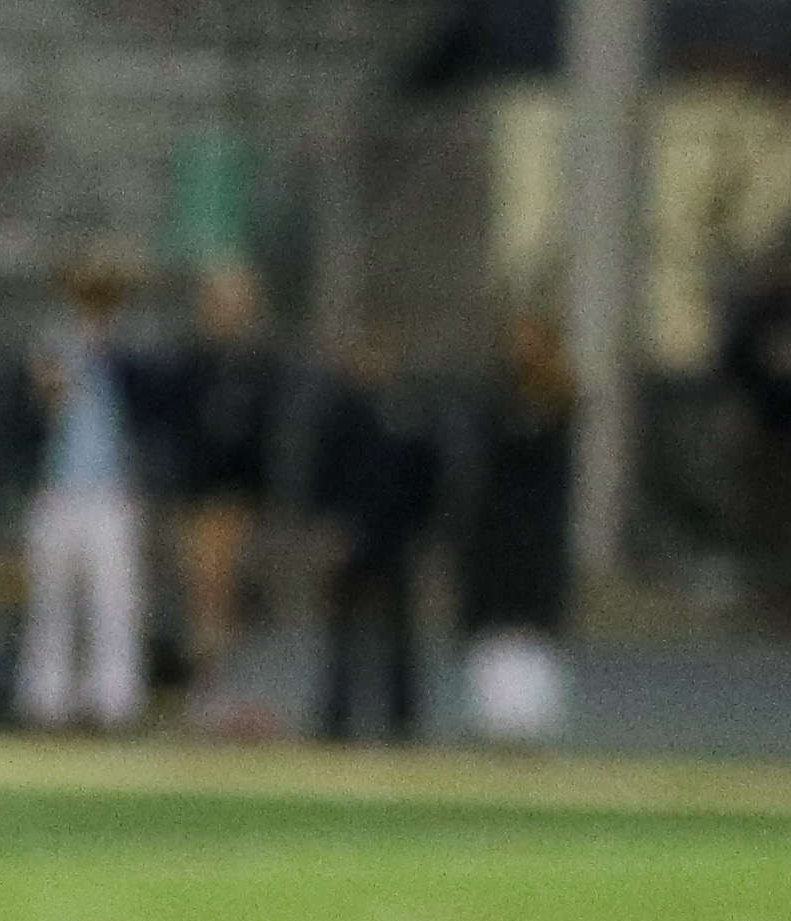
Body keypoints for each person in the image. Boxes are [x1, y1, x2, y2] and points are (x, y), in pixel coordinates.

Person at [17, 254, 147, 732]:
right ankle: (46, 701)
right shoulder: (54, 344)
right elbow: (44, 403)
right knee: (52, 601)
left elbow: (142, 406)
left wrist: (103, 344)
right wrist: (71, 358)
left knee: (113, 603)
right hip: (58, 489)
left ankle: (113, 703)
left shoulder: (128, 350)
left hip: (111, 491)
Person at [157, 263, 284, 723]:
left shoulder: (257, 369)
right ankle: (205, 694)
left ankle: (224, 693)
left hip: (237, 501)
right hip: (199, 499)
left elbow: (263, 440)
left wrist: (258, 503)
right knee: (203, 597)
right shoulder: (191, 364)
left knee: (229, 600)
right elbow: (178, 433)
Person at [308, 334, 442, 746]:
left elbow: (427, 477)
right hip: (350, 533)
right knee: (342, 632)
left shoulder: (409, 412)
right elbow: (322, 474)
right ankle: (336, 718)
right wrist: (328, 526)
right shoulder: (339, 414)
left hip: (394, 536)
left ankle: (403, 719)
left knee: (399, 633)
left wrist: (421, 529)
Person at [459, 312, 576, 748]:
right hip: (497, 533)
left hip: (536, 533)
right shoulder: (494, 400)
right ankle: (495, 718)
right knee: (495, 626)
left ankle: (530, 721)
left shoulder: (559, 404)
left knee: (531, 626)